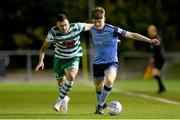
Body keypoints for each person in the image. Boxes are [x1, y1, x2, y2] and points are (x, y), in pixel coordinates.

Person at [90, 7, 160, 115]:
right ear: (92, 20)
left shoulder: (113, 29)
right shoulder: (91, 28)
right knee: (98, 87)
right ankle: (101, 103)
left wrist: (149, 40)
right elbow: (76, 27)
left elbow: (131, 34)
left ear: (104, 18)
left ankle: (99, 106)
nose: (98, 24)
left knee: (109, 80)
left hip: (111, 61)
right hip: (97, 63)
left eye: (100, 21)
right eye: (95, 21)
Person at [35, 14, 93, 113]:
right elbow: (43, 49)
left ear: (68, 22)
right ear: (57, 25)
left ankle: (59, 101)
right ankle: (65, 98)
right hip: (59, 59)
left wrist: (109, 37)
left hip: (74, 57)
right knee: (61, 83)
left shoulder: (77, 27)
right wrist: (41, 61)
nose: (64, 27)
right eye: (61, 26)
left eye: (66, 24)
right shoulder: (53, 33)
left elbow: (94, 25)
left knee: (71, 75)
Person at [146, 24, 166, 93]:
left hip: (160, 58)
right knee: (156, 74)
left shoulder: (157, 39)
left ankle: (162, 88)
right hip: (158, 58)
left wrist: (154, 58)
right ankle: (162, 88)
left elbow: (159, 50)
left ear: (153, 31)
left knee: (154, 73)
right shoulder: (154, 38)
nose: (148, 32)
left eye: (149, 31)